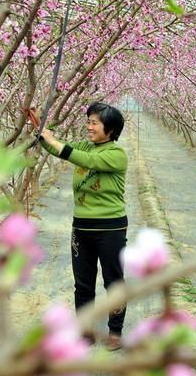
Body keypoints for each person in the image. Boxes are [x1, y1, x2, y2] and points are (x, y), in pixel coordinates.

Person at [35, 102, 128, 351]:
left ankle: (115, 331)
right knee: (83, 283)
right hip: (82, 228)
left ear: (110, 129)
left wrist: (54, 142)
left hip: (110, 229)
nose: (88, 127)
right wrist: (40, 129)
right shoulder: (86, 145)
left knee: (113, 281)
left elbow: (81, 158)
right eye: (88, 121)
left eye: (94, 122)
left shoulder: (115, 154)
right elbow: (59, 150)